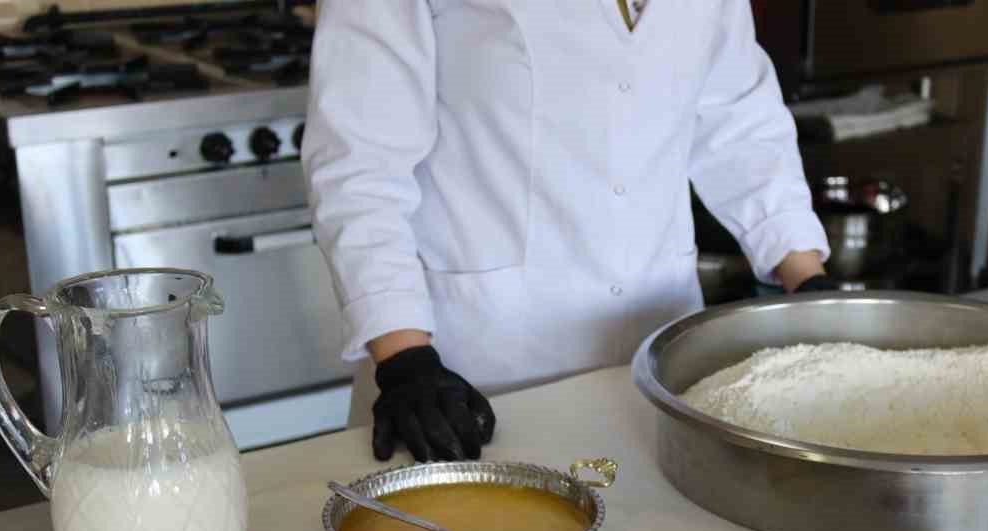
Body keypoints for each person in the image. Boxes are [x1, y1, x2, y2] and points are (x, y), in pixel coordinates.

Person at [303, 0, 835, 462]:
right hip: (469, 376)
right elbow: (360, 163)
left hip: (659, 358)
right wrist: (404, 360)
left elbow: (737, 121)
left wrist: (805, 278)